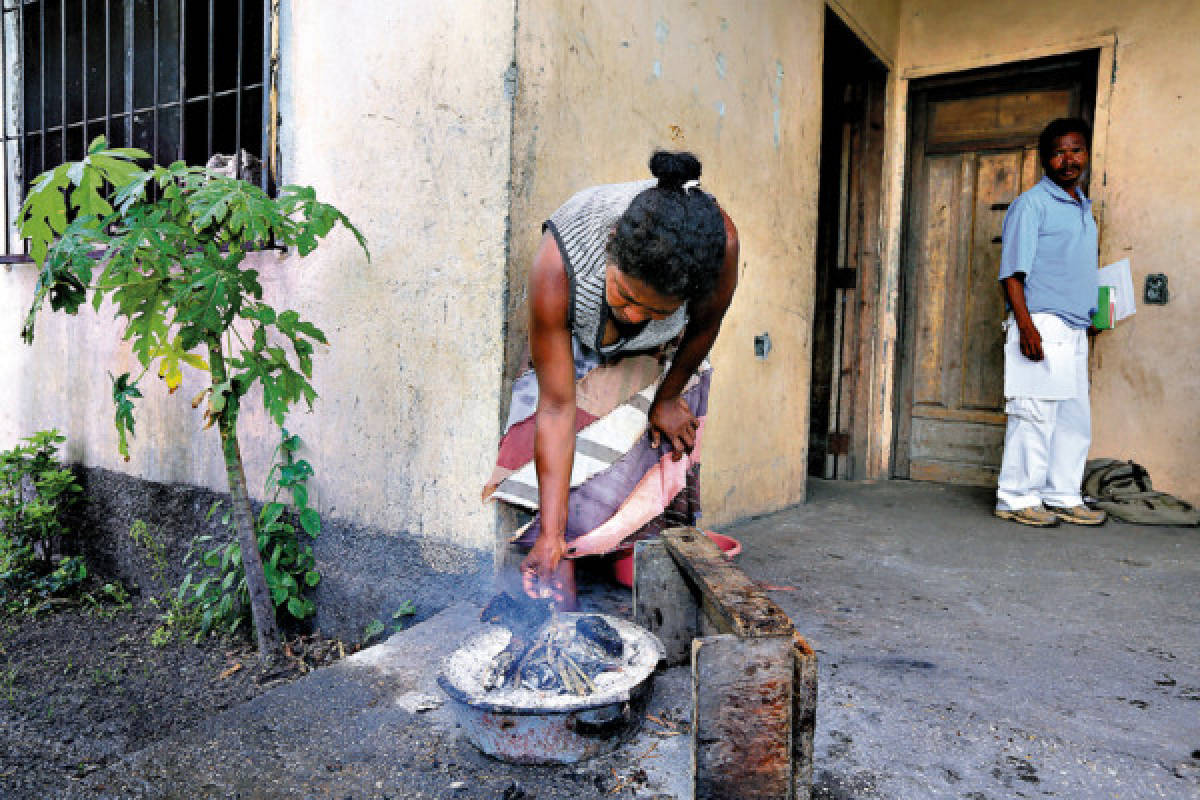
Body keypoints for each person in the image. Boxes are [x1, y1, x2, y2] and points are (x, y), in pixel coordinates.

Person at [482, 151, 738, 607]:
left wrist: (669, 394)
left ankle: (627, 557)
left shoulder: (720, 251)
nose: (634, 315)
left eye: (655, 311)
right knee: (566, 461)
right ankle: (561, 552)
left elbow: (703, 328)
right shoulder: (561, 261)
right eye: (623, 295)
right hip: (575, 346)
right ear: (611, 245)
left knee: (657, 441)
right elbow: (556, 407)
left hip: (663, 357)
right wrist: (552, 534)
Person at [994, 117, 1106, 527]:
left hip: (1074, 328)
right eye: (1059, 152)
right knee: (1034, 415)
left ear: (1086, 154)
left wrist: (1089, 314)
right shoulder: (1032, 204)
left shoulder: (1083, 207)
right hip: (1040, 323)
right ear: (1046, 159)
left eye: (1075, 150)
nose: (1069, 159)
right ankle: (1017, 498)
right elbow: (1012, 274)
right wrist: (1026, 327)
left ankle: (1062, 494)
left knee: (1074, 418)